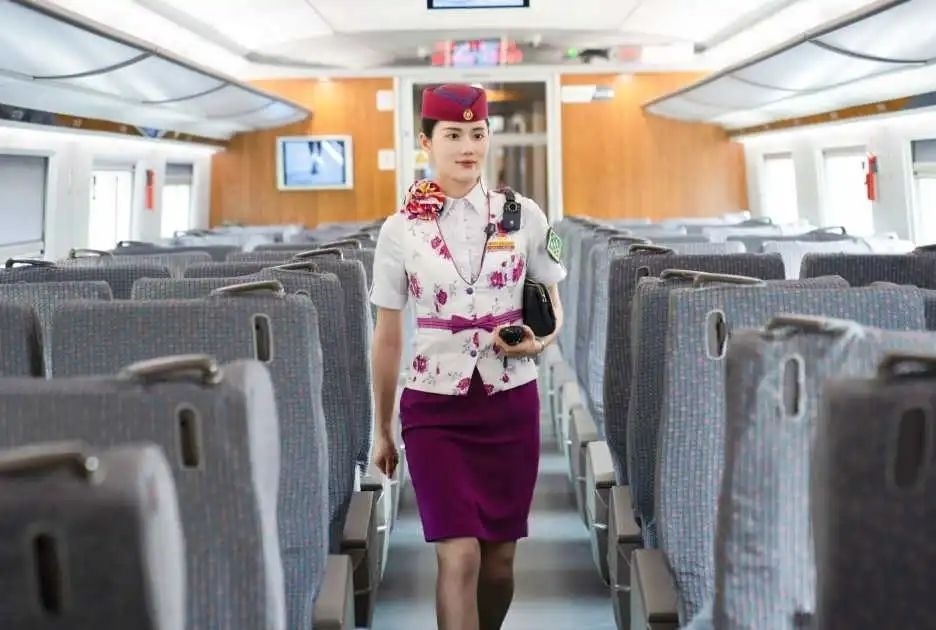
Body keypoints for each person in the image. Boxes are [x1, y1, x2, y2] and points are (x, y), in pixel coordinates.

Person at [369, 83, 566, 630]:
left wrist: (538, 342)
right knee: (459, 556)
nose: (467, 147)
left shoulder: (524, 215)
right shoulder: (399, 230)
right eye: (453, 135)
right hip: (434, 407)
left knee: (499, 566)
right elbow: (388, 336)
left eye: (477, 134)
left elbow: (553, 308)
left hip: (510, 403)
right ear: (426, 142)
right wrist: (382, 429)